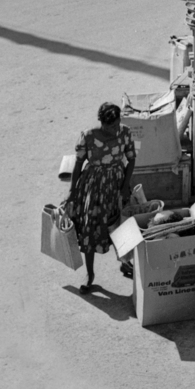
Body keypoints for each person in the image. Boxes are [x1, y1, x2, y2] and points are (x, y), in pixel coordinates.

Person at [66, 102, 136, 293]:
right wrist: (72, 192)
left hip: (116, 186)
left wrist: (125, 187)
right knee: (90, 229)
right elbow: (78, 165)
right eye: (111, 126)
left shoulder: (125, 132)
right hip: (93, 189)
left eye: (117, 124)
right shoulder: (88, 136)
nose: (115, 130)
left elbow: (131, 160)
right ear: (102, 123)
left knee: (120, 226)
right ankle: (90, 275)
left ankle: (125, 262)